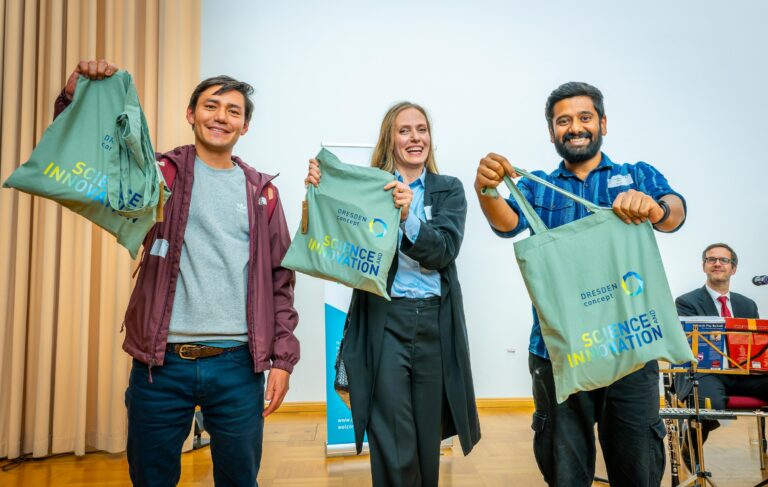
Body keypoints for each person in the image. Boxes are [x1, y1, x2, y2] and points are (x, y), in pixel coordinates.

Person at [57, 60, 299, 487]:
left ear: (245, 126)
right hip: (161, 364)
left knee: (240, 479)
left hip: (238, 366)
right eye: (211, 106)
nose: (220, 116)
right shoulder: (159, 174)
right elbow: (93, 154)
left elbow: (280, 282)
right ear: (191, 114)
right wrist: (76, 96)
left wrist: (282, 359)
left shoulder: (263, 193)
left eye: (233, 111)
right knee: (151, 479)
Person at [474, 82, 686, 487]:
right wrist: (485, 190)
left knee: (638, 467)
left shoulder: (637, 175)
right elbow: (506, 223)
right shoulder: (535, 184)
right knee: (565, 470)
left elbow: (675, 212)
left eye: (584, 118)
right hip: (559, 351)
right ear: (552, 131)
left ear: (602, 123)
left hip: (630, 347)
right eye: (563, 121)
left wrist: (654, 206)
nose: (575, 128)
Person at [305, 101, 480, 486]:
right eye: (405, 130)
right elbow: (333, 233)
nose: (415, 138)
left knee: (425, 437)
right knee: (391, 435)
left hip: (436, 323)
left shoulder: (448, 189)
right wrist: (323, 186)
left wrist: (407, 217)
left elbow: (444, 251)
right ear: (391, 138)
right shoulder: (371, 187)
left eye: (422, 129)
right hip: (386, 321)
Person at [675, 243, 764, 452]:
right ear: (704, 266)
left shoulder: (748, 305)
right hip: (704, 372)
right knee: (709, 402)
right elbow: (685, 345)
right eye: (711, 259)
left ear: (733, 269)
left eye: (723, 260)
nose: (717, 263)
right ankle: (690, 444)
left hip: (743, 373)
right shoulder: (686, 302)